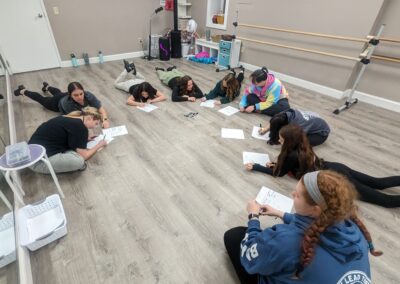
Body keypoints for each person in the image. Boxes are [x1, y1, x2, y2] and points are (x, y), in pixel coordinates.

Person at [224, 170, 382, 284]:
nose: (292, 194)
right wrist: (281, 214)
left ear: (316, 209)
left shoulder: (286, 241)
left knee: (234, 236)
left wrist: (253, 217)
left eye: (297, 194)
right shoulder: (353, 226)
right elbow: (316, 226)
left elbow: (249, 261)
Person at [246, 124, 400, 208]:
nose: (279, 141)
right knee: (378, 183)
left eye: (281, 139)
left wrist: (256, 166)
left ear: (290, 141)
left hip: (337, 178)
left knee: (385, 201)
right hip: (337, 167)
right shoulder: (304, 144)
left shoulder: (292, 154)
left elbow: (279, 173)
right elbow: (291, 166)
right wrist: (276, 164)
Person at [28, 107, 106, 174]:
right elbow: (85, 156)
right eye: (96, 123)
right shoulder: (80, 127)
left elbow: (69, 135)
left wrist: (84, 139)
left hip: (31, 152)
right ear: (90, 118)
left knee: (76, 150)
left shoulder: (70, 117)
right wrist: (99, 145)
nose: (94, 127)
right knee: (79, 161)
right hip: (38, 162)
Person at [14, 82, 110, 128]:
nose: (80, 97)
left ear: (83, 91)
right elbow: (79, 119)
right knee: (43, 100)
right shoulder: (67, 104)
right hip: (56, 103)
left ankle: (47, 86)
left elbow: (100, 108)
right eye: (76, 95)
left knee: (58, 92)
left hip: (63, 95)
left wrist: (105, 120)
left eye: (81, 93)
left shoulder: (88, 95)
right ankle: (23, 91)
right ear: (70, 94)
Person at [259, 108, 330, 146]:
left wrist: (279, 140)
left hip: (321, 134)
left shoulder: (297, 126)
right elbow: (274, 121)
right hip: (312, 124)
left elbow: (293, 139)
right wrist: (265, 129)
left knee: (299, 144)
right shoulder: (287, 112)